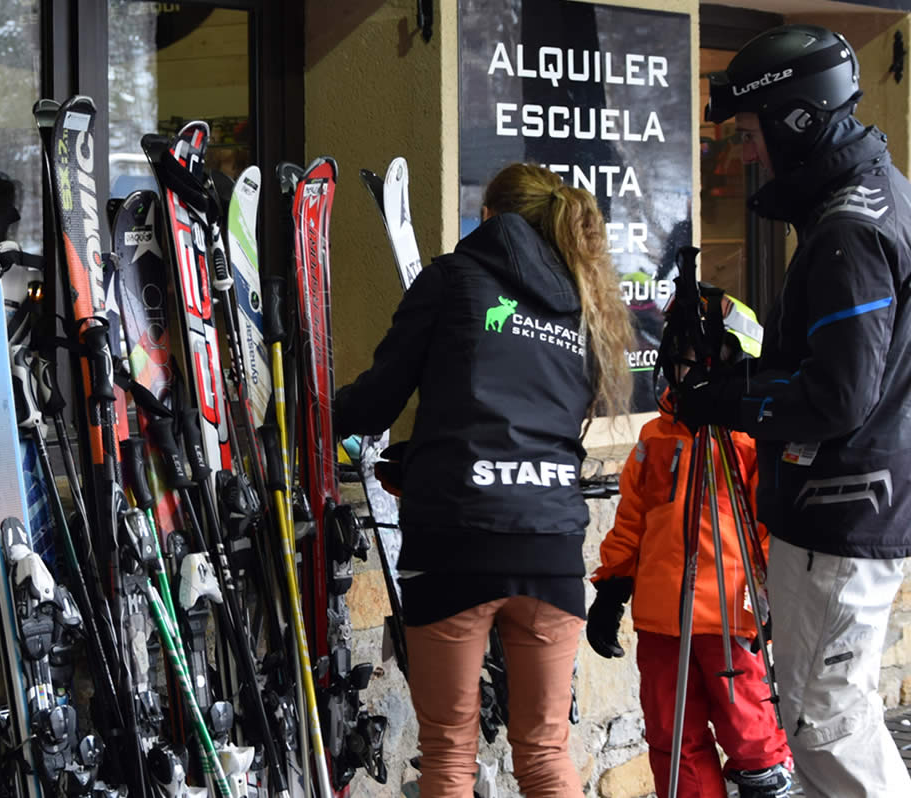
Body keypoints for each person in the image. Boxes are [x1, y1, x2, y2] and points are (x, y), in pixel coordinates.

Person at [334, 162, 635, 797]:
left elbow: (374, 405)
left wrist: (305, 416)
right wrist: (427, 458)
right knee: (548, 750)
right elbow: (528, 425)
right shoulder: (586, 302)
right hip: (550, 547)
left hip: (456, 544)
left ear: (491, 219)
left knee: (448, 754)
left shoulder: (452, 279)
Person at [678, 23, 911, 798]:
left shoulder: (848, 227)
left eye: (749, 133)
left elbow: (840, 395)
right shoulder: (870, 200)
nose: (744, 153)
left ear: (796, 120)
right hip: (849, 509)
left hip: (841, 513)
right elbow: (836, 368)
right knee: (818, 722)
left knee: (828, 724)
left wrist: (732, 397)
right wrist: (742, 374)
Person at [588, 294, 793, 798]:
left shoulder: (749, 441)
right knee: (671, 737)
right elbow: (632, 519)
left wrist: (777, 602)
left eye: (695, 359)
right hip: (662, 619)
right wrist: (612, 588)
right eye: (676, 357)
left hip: (731, 617)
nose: (683, 370)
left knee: (752, 737)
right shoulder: (657, 438)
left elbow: (769, 525)